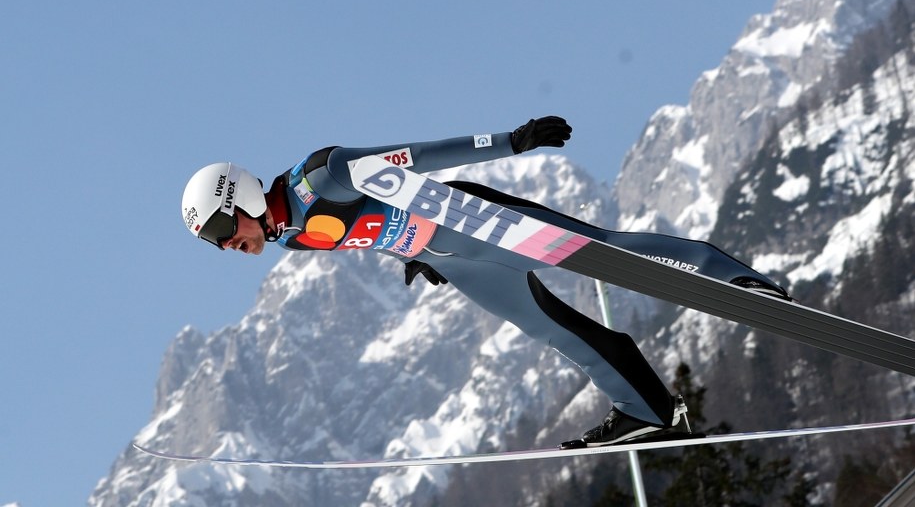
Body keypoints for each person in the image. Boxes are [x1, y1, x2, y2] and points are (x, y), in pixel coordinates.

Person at [181, 116, 790, 447]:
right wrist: (411, 253)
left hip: (471, 221)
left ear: (242, 196)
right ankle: (650, 410)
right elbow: (368, 223)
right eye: (215, 244)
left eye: (222, 229)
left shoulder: (322, 175)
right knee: (556, 333)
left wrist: (510, 141)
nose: (229, 245)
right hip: (453, 259)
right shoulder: (286, 232)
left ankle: (732, 277)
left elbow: (413, 158)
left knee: (603, 252)